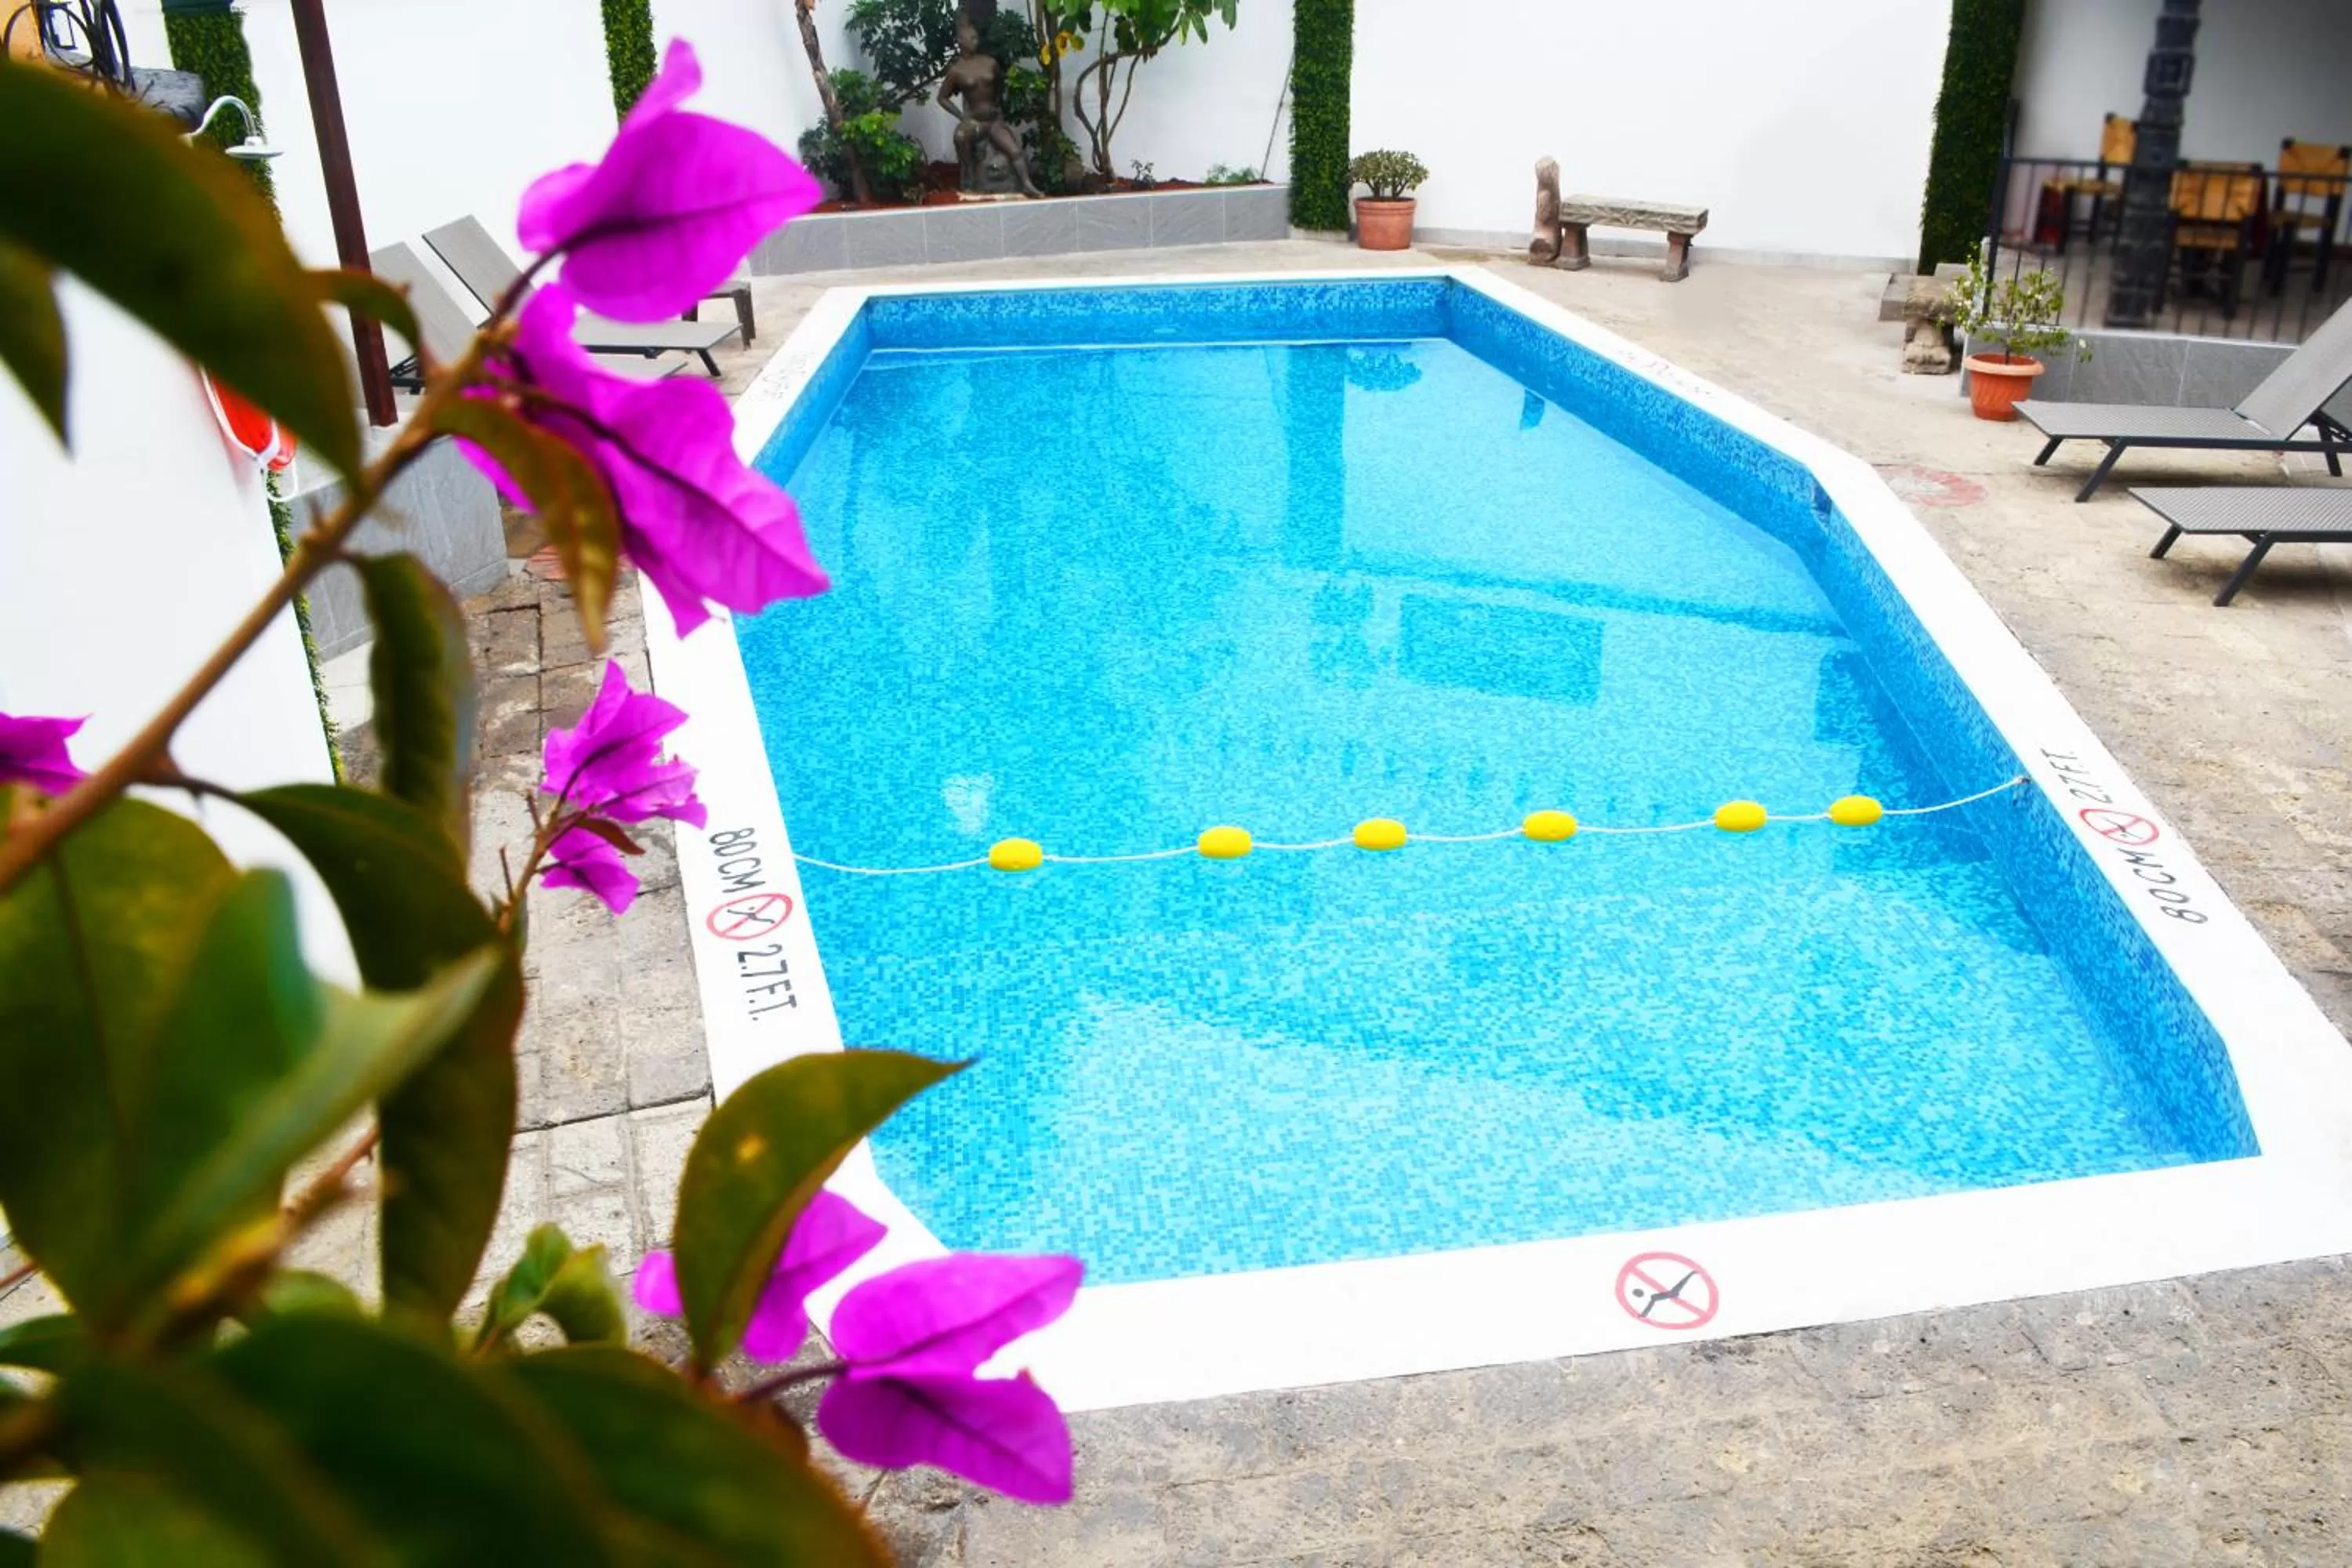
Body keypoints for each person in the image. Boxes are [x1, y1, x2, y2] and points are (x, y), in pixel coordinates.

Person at [937, 14, 1040, 198]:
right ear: (961, 41)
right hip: (974, 121)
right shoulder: (956, 70)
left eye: (977, 38)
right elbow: (942, 97)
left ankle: (1026, 183)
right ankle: (968, 177)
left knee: (1015, 151)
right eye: (972, 38)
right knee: (960, 136)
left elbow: (1000, 85)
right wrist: (962, 116)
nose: (976, 42)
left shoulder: (989, 63)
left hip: (993, 121)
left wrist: (998, 109)